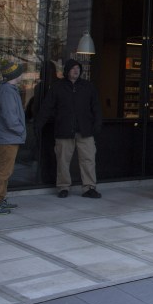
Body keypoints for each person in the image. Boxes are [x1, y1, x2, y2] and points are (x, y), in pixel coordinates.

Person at [35, 59, 102, 199]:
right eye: (73, 69)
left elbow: (96, 107)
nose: (76, 71)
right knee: (63, 160)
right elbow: (47, 107)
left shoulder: (88, 87)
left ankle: (89, 187)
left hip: (85, 131)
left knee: (88, 159)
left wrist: (97, 124)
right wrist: (38, 124)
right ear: (67, 71)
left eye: (78, 68)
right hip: (64, 131)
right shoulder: (57, 87)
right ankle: (63, 187)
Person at [0, 60, 27, 215]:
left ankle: (0, 199)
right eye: (21, 72)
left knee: (6, 171)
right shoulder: (7, 91)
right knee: (2, 171)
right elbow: (10, 117)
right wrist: (21, 130)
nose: (22, 74)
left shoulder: (8, 89)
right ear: (15, 75)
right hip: (7, 138)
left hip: (9, 137)